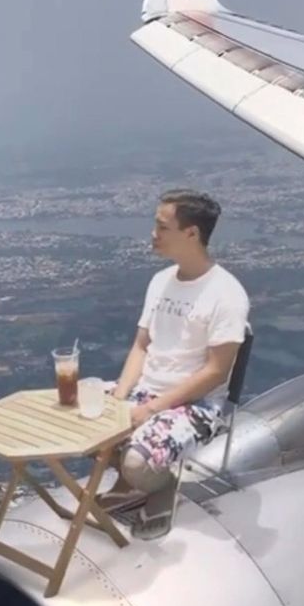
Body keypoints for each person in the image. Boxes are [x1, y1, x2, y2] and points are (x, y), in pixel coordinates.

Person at [103, 189, 249, 536]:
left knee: (138, 461)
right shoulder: (160, 282)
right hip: (147, 390)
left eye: (162, 227)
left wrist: (152, 410)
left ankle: (160, 485)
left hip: (194, 406)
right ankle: (130, 482)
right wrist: (120, 396)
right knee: (82, 416)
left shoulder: (226, 295)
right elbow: (142, 344)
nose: (153, 235)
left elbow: (216, 371)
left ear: (191, 234)